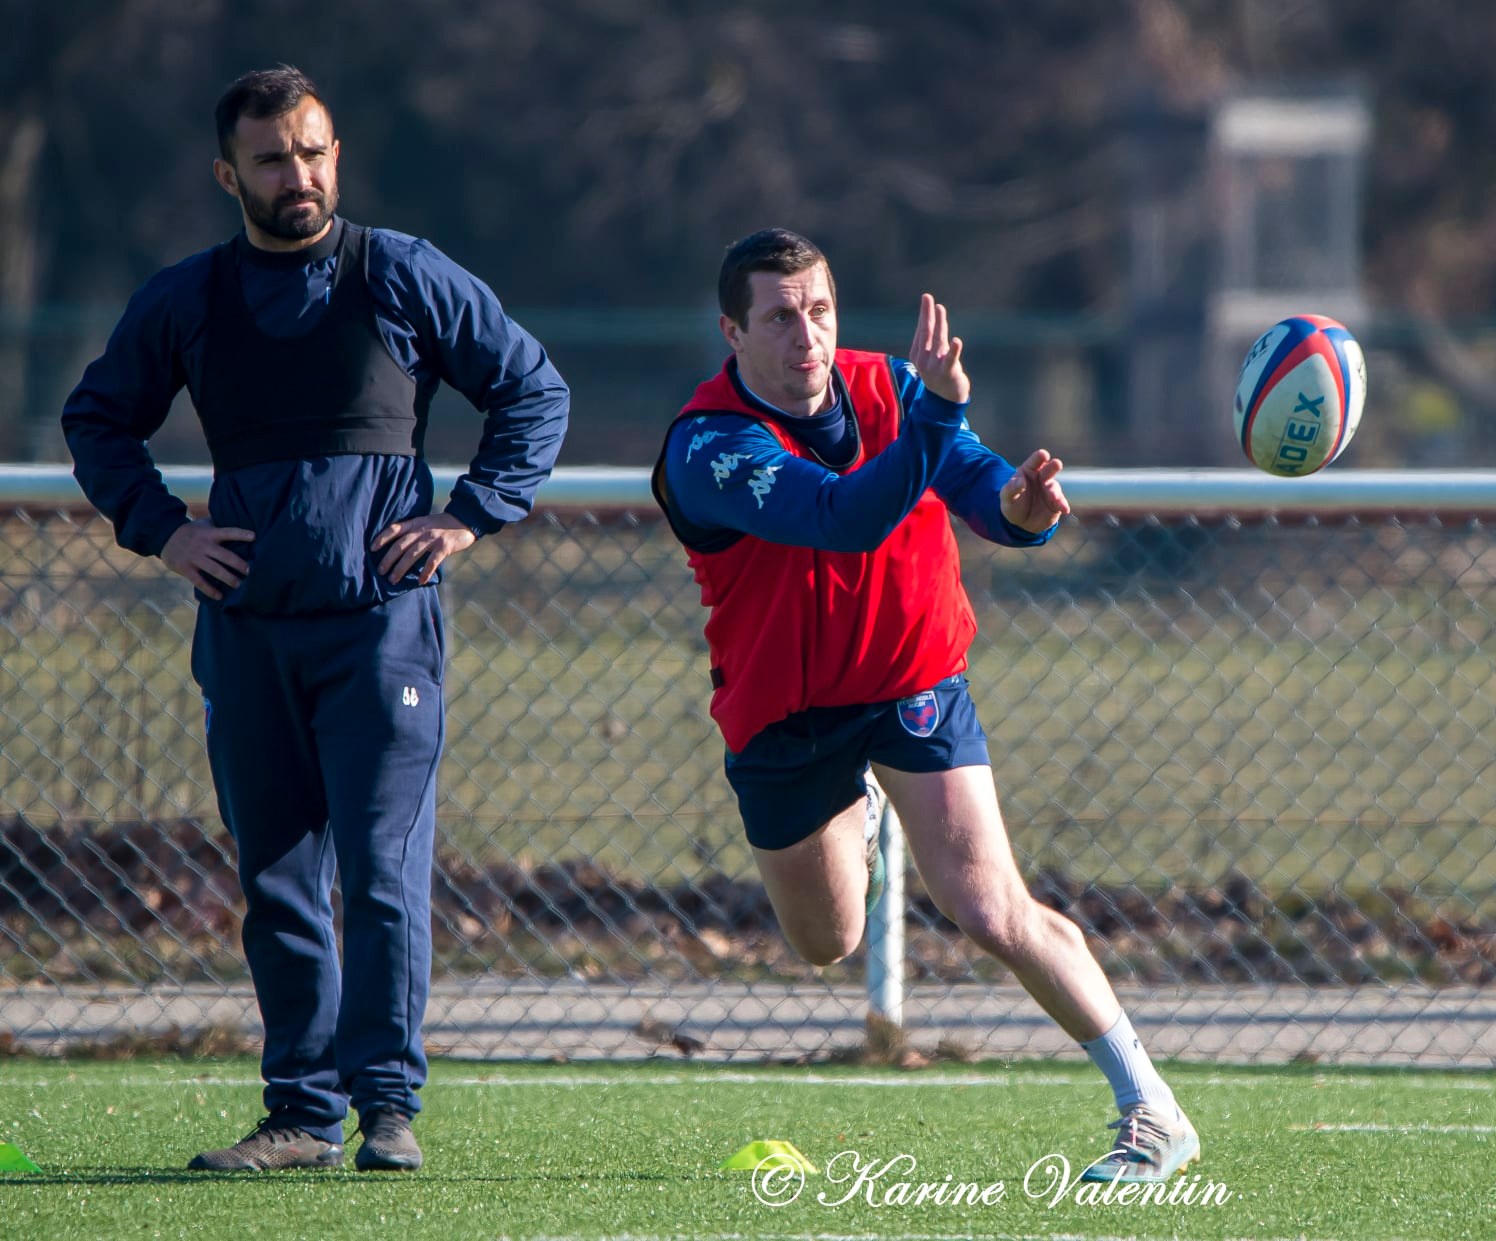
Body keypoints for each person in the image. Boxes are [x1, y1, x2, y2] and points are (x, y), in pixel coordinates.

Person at [61, 66, 569, 1173]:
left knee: (381, 876)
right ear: (226, 173)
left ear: (336, 153)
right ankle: (300, 1114)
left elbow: (533, 388)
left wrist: (467, 517)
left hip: (383, 629)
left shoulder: (401, 273)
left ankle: (388, 1107)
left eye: (315, 150)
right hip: (247, 634)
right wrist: (163, 530)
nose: (300, 174)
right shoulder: (188, 297)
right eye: (273, 158)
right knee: (278, 880)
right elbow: (97, 418)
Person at [651, 229, 1199, 1183]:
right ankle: (855, 810)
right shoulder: (708, 445)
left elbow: (980, 489)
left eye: (818, 309)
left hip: (914, 682)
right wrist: (940, 419)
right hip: (788, 713)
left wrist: (1021, 508)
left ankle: (1149, 1107)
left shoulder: (892, 388)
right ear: (732, 331)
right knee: (827, 941)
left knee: (990, 907)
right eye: (779, 317)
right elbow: (841, 517)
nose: (805, 334)